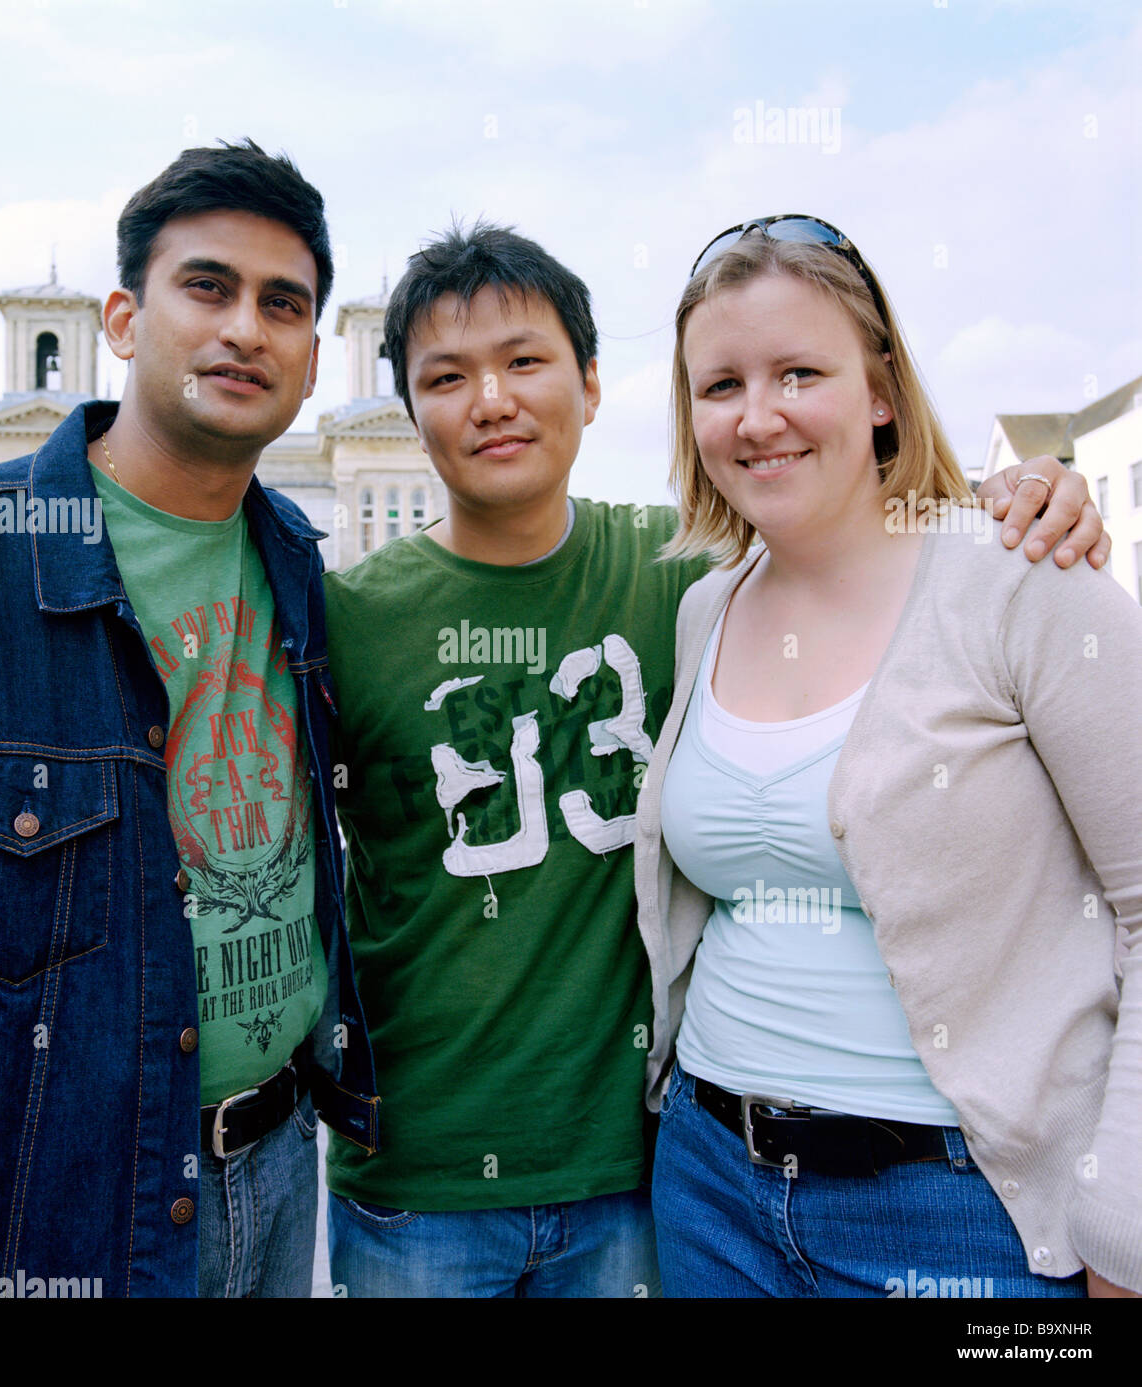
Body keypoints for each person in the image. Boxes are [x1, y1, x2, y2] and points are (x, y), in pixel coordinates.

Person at [320, 220, 1105, 1297]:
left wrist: (1035, 490)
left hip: (858, 1192)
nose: (491, 399)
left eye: (525, 360)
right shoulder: (368, 616)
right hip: (630, 1179)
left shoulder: (698, 574)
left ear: (592, 386)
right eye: (447, 376)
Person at [0, 139, 378, 1300]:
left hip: (283, 1170)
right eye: (209, 286)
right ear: (125, 319)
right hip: (69, 1199)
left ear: (311, 353)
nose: (246, 327)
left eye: (283, 304)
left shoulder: (293, 557)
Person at [634, 215, 1141, 1298]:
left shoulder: (1022, 580)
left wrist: (1122, 1228)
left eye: (798, 372)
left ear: (879, 390)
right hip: (711, 1183)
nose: (756, 415)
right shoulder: (705, 610)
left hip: (965, 1213)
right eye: (719, 385)